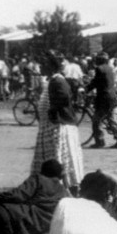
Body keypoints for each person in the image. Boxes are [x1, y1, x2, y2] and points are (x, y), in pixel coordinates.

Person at [31, 50, 85, 193]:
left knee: (60, 162)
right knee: (54, 161)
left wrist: (52, 113)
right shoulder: (52, 81)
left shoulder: (57, 81)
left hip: (59, 128)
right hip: (52, 128)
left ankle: (64, 190)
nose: (40, 68)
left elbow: (63, 99)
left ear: (50, 66)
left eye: (43, 65)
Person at [84, 52, 117, 149]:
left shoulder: (99, 69)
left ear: (99, 60)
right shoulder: (109, 68)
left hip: (104, 98)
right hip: (112, 97)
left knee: (96, 120)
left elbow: (96, 82)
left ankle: (100, 142)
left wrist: (86, 89)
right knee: (111, 120)